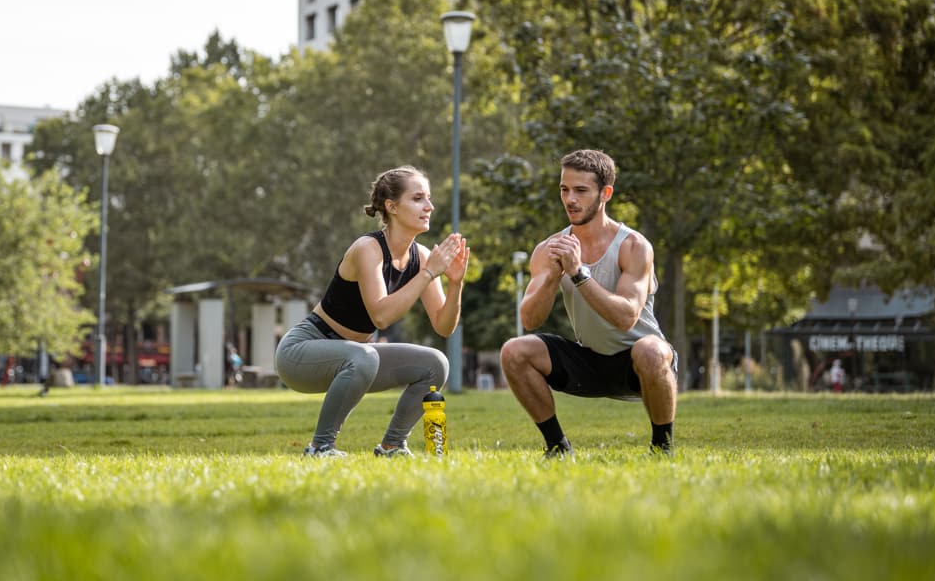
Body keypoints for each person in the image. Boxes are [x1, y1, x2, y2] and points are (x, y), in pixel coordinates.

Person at [276, 166, 469, 458]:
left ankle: (392, 445)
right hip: (301, 353)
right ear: (392, 206)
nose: (429, 206)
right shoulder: (368, 248)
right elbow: (381, 316)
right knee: (363, 356)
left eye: (428, 198)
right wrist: (429, 274)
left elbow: (444, 326)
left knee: (435, 364)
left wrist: (456, 284)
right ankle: (320, 447)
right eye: (418, 198)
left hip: (355, 357)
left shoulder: (423, 258)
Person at [500, 149, 678, 458]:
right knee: (514, 351)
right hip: (590, 360)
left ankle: (663, 448)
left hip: (638, 363)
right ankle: (558, 447)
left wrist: (579, 273)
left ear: (605, 193)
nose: (570, 199)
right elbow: (530, 318)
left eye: (581, 191)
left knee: (650, 350)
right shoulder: (549, 249)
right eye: (564, 190)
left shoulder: (634, 246)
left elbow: (626, 317)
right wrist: (554, 275)